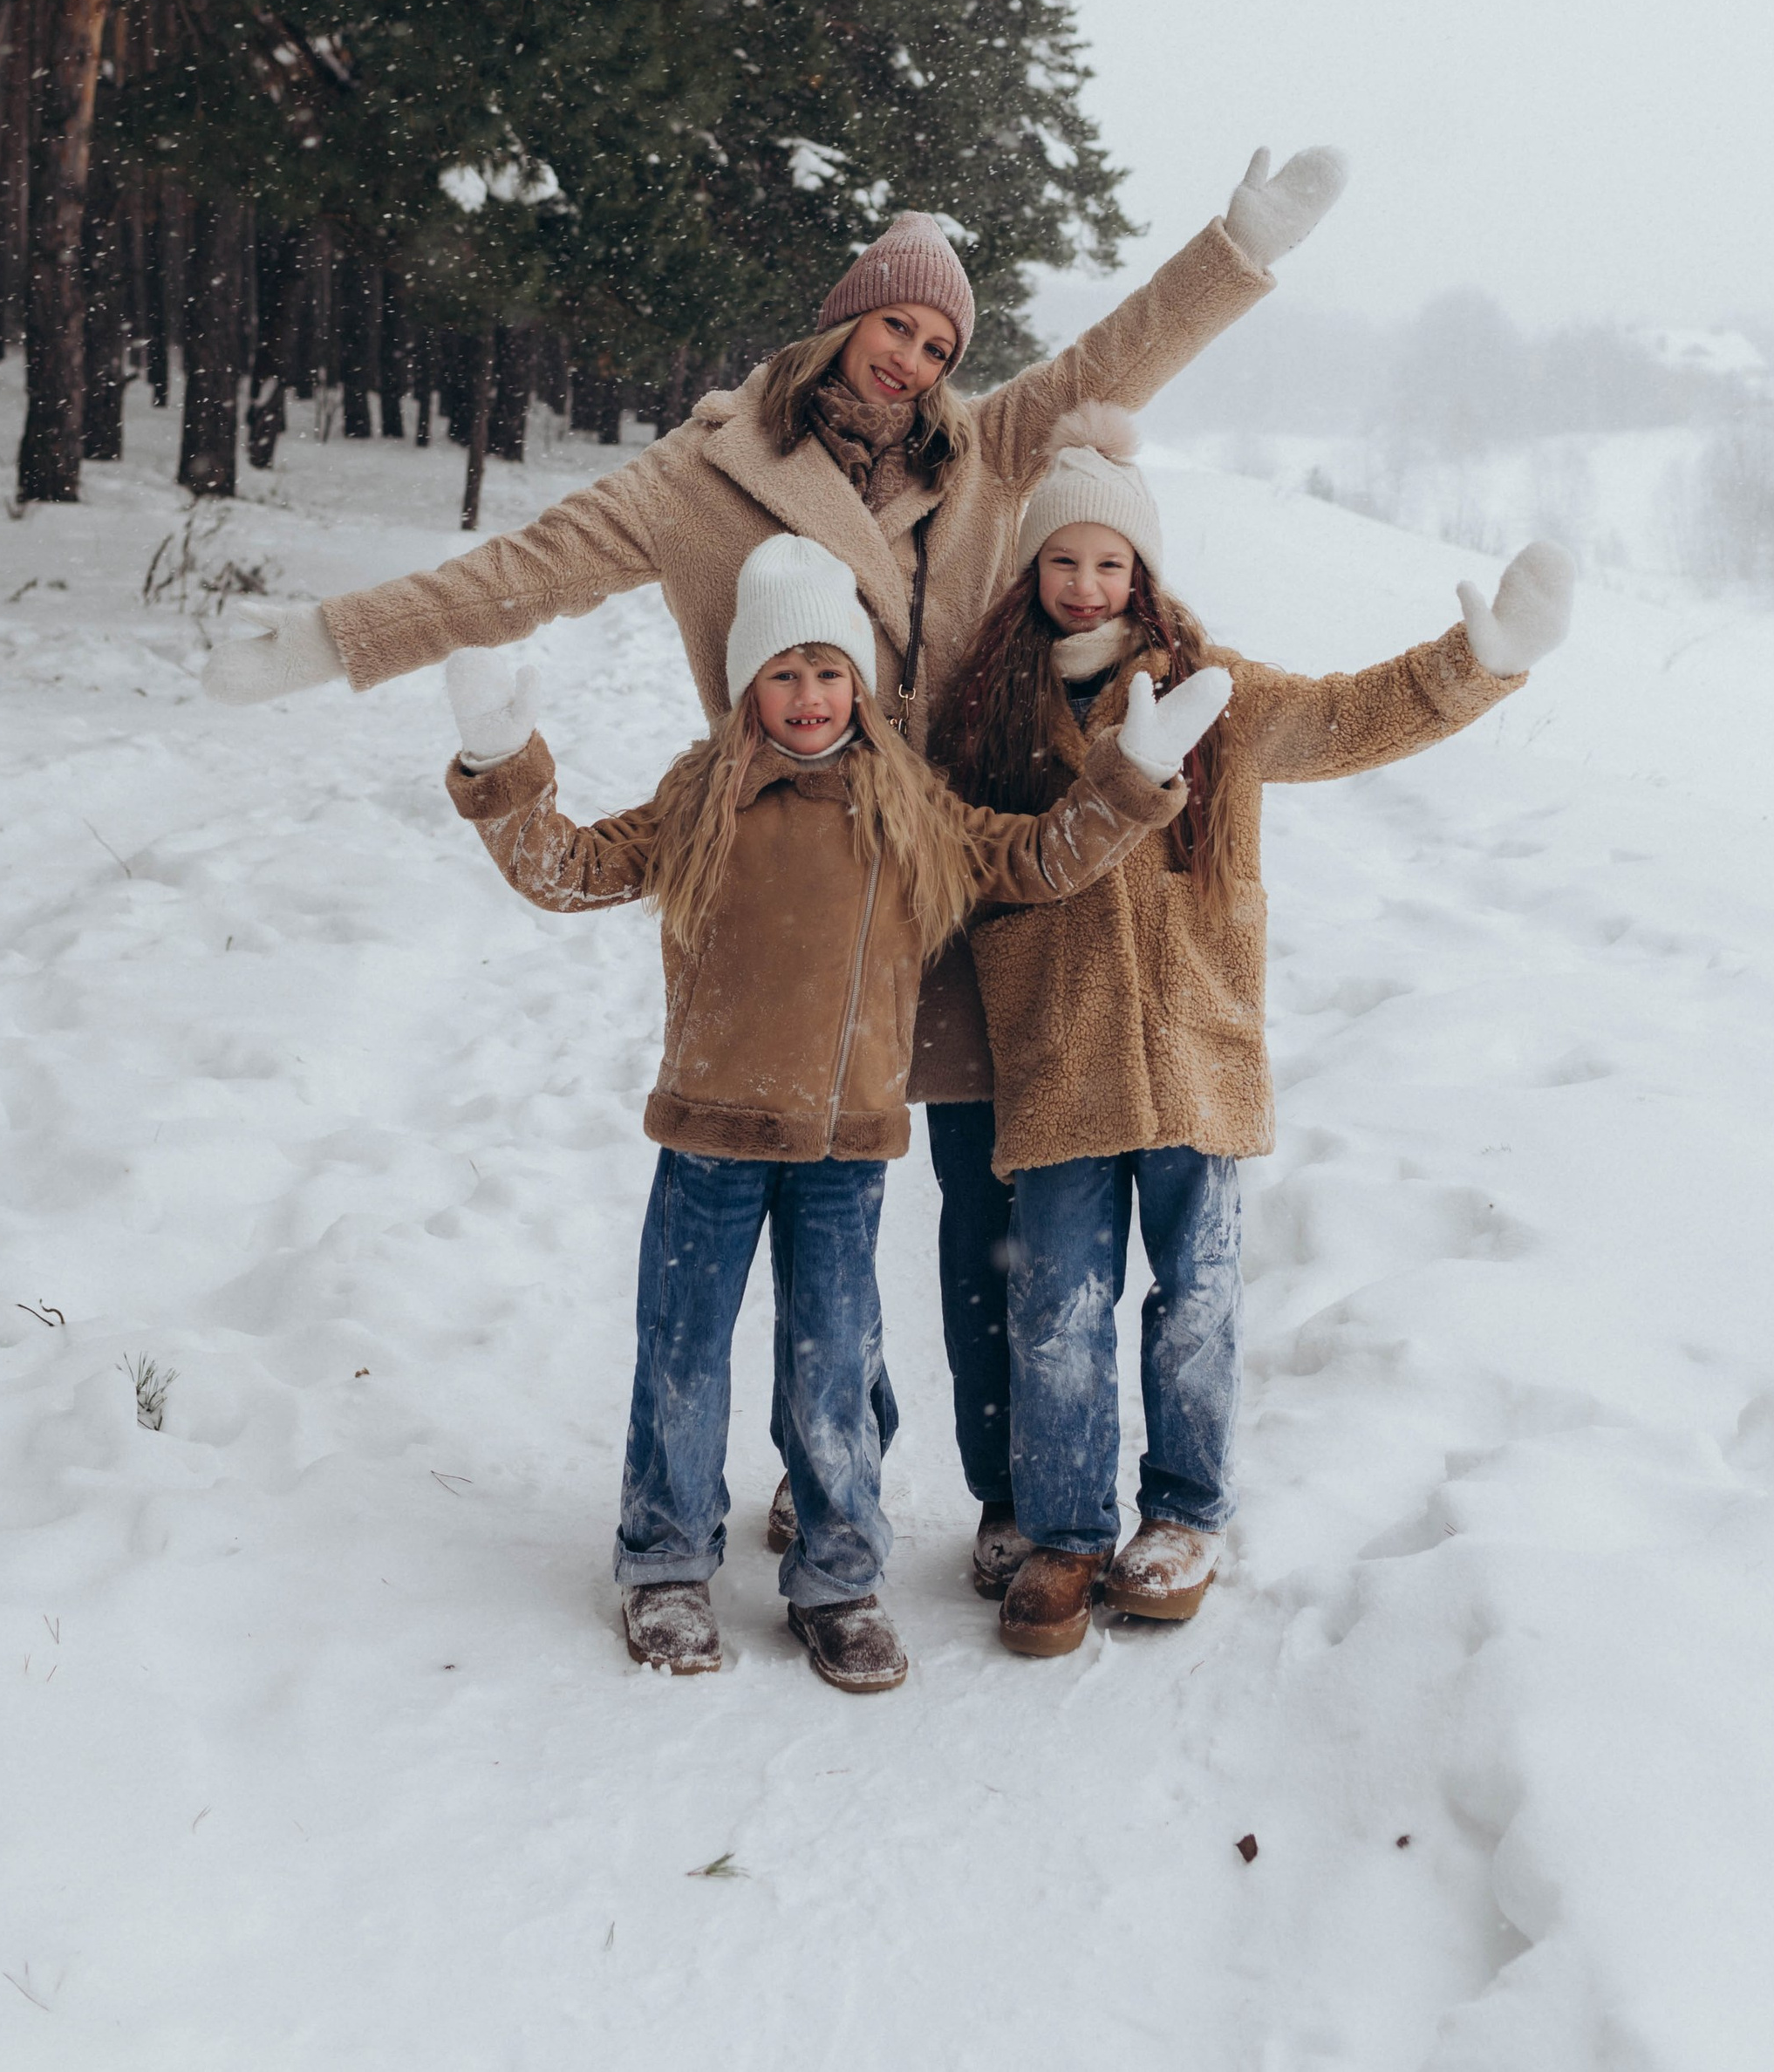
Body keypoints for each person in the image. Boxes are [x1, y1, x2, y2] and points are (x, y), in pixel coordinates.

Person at [205, 152, 1347, 1564]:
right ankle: (833, 1455)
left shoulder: (985, 450)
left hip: (984, 864)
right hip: (813, 883)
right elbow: (524, 571)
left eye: (939, 347)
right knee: (833, 1188)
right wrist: (339, 642)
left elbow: (1125, 352)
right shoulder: (705, 481)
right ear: (844, 319)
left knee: (992, 1210)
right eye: (899, 329)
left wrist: (1236, 247)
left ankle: (1011, 1501)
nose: (915, 362)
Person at [440, 532, 1231, 1693]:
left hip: (845, 1151)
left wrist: (1122, 783)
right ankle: (664, 1563)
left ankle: (839, 1577)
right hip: (710, 1137)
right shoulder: (702, 798)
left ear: (857, 683)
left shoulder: (909, 809)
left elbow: (1041, 859)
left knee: (832, 1366)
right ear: (748, 686)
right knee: (684, 1356)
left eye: (829, 673)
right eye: (783, 674)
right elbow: (570, 868)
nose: (809, 699)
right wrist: (502, 766)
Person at [934, 421, 1575, 1656]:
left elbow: (1345, 719)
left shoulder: (1210, 692)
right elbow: (960, 852)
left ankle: (1182, 1515)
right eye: (1061, 562)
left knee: (1198, 1298)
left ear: (1144, 573)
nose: (1084, 586)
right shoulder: (990, 712)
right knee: (1058, 1300)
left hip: (1192, 1043)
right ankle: (1064, 1532)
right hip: (1059, 1048)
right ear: (1029, 573)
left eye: (1109, 563)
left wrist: (1474, 664)